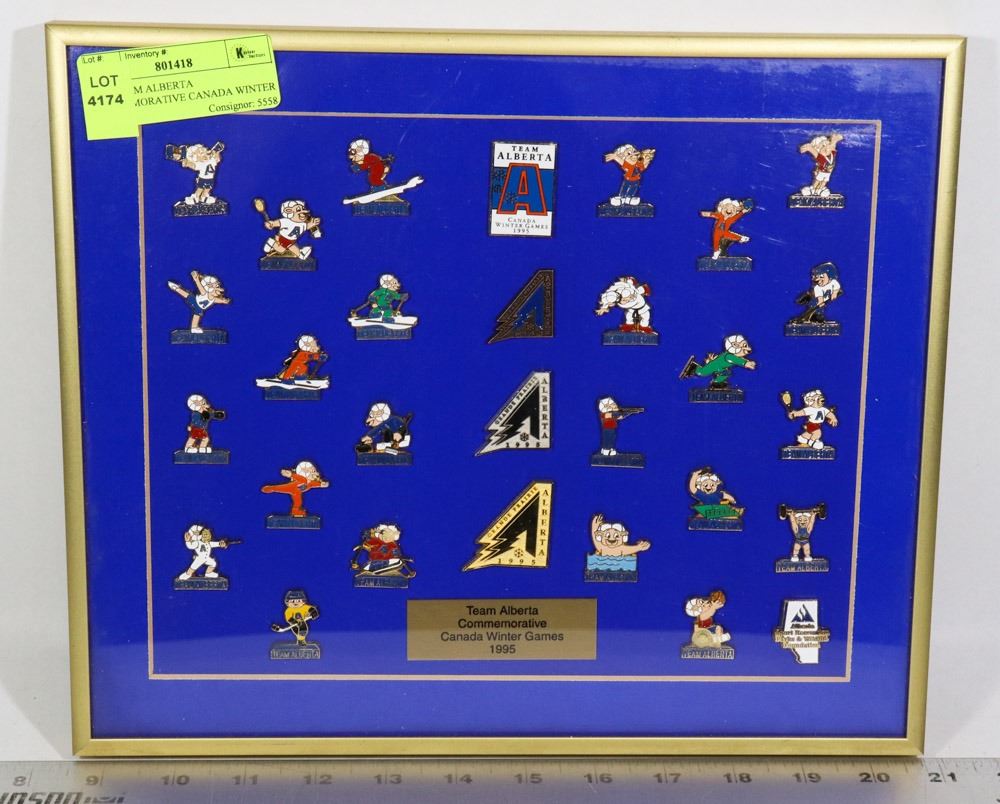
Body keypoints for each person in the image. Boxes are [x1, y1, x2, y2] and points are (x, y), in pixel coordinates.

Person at [680, 334, 756, 390]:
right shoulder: (729, 356)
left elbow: (739, 359)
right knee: (702, 372)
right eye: (744, 346)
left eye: (746, 345)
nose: (748, 349)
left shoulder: (733, 355)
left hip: (721, 368)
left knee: (727, 373)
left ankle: (717, 383)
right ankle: (693, 367)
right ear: (735, 346)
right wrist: (746, 363)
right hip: (715, 365)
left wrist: (747, 362)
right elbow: (736, 360)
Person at [261, 461, 329, 518]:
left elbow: (316, 484)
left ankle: (295, 511)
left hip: (297, 493)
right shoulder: (303, 479)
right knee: (279, 488)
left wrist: (322, 484)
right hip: (291, 487)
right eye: (312, 472)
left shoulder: (311, 483)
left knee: (298, 502)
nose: (315, 475)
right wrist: (290, 474)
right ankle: (270, 488)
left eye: (315, 473)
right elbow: (296, 476)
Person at [168, 142, 224, 207]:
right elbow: (194, 166)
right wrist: (187, 163)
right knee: (200, 189)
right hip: (202, 179)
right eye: (200, 154)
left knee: (208, 188)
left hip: (210, 179)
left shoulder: (211, 160)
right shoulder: (200, 164)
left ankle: (204, 196)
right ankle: (195, 197)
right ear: (196, 158)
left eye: (204, 152)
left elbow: (217, 159)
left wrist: (217, 152)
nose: (204, 155)